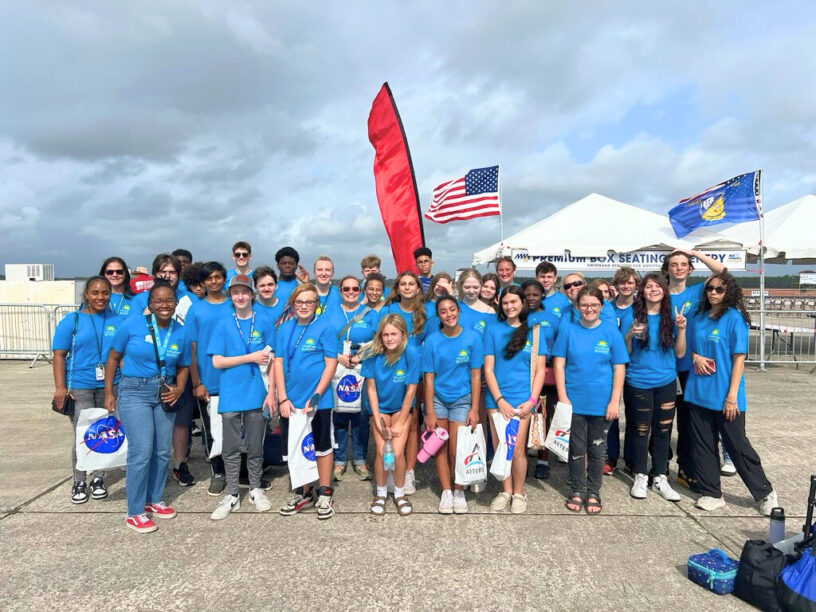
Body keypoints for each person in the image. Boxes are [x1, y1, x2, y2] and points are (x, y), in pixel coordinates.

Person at [684, 272, 778, 514]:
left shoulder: (734, 319)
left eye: (719, 289)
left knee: (737, 446)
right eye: (710, 289)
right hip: (698, 393)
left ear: (729, 293)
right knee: (703, 445)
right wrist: (695, 357)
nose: (713, 293)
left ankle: (765, 492)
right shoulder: (698, 316)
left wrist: (732, 396)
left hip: (726, 395)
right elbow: (690, 348)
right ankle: (712, 492)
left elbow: (739, 359)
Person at [104, 281, 190, 533]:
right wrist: (110, 391)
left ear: (175, 303)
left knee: (163, 451)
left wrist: (180, 388)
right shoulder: (131, 325)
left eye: (169, 301)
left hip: (164, 392)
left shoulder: (180, 331)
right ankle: (135, 511)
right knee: (141, 451)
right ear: (150, 304)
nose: (164, 305)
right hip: (134, 391)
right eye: (159, 301)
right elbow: (112, 358)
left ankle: (154, 499)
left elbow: (184, 365)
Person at [552, 286, 628, 515]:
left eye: (594, 305)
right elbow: (559, 364)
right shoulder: (568, 329)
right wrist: (563, 397)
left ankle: (593, 491)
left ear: (601, 306)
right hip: (574, 401)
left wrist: (615, 401)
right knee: (575, 449)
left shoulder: (610, 331)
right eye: (584, 305)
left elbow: (619, 368)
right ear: (577, 307)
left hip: (601, 402)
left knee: (597, 450)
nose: (589, 309)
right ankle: (577, 489)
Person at [207, 274, 277, 520]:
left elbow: (274, 360)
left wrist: (273, 393)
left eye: (244, 292)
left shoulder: (265, 321)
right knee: (231, 448)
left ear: (252, 294)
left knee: (256, 446)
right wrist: (249, 358)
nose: (240, 296)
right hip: (231, 394)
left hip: (258, 393)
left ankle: (256, 488)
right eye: (235, 292)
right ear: (230, 295)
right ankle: (233, 493)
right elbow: (217, 361)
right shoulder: (224, 323)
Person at [52, 276, 122, 504]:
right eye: (95, 293)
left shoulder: (117, 320)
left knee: (105, 432)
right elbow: (59, 355)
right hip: (80, 385)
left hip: (110, 385)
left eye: (105, 293)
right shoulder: (72, 320)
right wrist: (60, 387)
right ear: (86, 295)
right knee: (83, 434)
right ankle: (79, 480)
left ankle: (98, 478)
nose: (100, 297)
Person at [661, 249, 727, 487]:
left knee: (688, 424)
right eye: (674, 264)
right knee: (663, 424)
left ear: (689, 269)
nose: (678, 268)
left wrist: (696, 253)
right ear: (667, 269)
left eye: (683, 264)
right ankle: (659, 468)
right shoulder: (659, 293)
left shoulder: (698, 291)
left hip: (691, 369)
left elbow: (723, 273)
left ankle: (686, 469)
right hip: (666, 368)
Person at [620, 273, 686, 502]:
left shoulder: (672, 316)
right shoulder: (631, 315)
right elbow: (624, 353)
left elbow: (679, 353)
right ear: (642, 291)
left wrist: (683, 329)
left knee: (663, 431)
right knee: (639, 430)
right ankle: (640, 474)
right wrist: (628, 335)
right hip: (637, 381)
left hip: (666, 382)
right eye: (649, 286)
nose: (654, 290)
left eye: (658, 286)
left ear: (664, 291)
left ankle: (659, 475)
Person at [274, 283, 339, 519]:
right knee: (296, 447)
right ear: (292, 304)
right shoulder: (284, 329)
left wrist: (318, 394)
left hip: (318, 401)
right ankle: (304, 492)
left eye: (309, 302)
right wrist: (282, 397)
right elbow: (278, 363)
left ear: (316, 305)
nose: (304, 306)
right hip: (291, 401)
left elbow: (331, 363)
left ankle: (324, 492)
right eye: (300, 302)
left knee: (321, 446)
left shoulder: (325, 328)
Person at [483, 286, 548, 514]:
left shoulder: (535, 332)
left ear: (523, 303)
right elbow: (488, 369)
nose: (510, 306)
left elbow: (540, 370)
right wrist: (499, 400)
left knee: (517, 449)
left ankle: (519, 492)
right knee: (501, 446)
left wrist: (531, 400)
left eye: (514, 302)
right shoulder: (492, 330)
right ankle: (505, 490)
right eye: (506, 302)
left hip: (523, 400)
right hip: (496, 400)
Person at [422, 296, 483, 514]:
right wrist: (429, 411)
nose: (449, 314)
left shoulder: (473, 338)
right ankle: (446, 491)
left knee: (459, 449)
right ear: (438, 315)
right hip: (438, 399)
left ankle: (459, 490)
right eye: (443, 311)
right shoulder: (431, 341)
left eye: (452, 309)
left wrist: (475, 409)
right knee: (440, 447)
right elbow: (428, 378)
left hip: (462, 400)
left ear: (458, 311)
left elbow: (476, 376)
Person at [361, 315, 420, 516]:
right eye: (385, 334)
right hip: (381, 408)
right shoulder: (372, 354)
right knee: (381, 450)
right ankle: (380, 493)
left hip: (401, 408)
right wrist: (377, 419)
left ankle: (400, 493)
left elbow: (411, 390)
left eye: (393, 334)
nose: (389, 338)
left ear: (403, 334)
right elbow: (371, 390)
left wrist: (401, 422)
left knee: (395, 452)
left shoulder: (410, 352)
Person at [325, 275, 380, 482]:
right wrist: (338, 357)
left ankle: (359, 459)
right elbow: (324, 339)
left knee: (360, 416)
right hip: (337, 367)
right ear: (340, 291)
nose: (350, 292)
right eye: (346, 288)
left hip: (362, 369)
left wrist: (360, 356)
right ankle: (339, 460)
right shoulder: (330, 313)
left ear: (361, 291)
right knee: (338, 414)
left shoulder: (371, 314)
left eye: (355, 289)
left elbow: (379, 341)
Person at [186, 261, 232, 493]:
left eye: (218, 277)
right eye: (209, 278)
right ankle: (218, 471)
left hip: (235, 379)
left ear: (224, 279)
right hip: (208, 379)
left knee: (238, 429)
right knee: (212, 430)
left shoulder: (235, 304)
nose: (214, 282)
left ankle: (240, 471)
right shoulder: (196, 309)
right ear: (203, 282)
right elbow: (191, 348)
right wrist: (197, 382)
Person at [382, 271, 429, 494]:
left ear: (418, 288)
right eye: (403, 284)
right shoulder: (388, 311)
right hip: (391, 371)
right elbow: (380, 340)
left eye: (412, 284)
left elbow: (430, 342)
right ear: (397, 288)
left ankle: (408, 471)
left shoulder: (425, 312)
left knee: (411, 424)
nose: (408, 287)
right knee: (390, 424)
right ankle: (391, 469)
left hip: (415, 372)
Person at [521, 279, 560, 480]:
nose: (531, 298)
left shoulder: (551, 318)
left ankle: (543, 459)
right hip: (523, 374)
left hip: (547, 374)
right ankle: (522, 458)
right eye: (527, 294)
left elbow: (559, 345)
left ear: (542, 295)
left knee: (545, 417)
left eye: (535, 294)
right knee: (525, 417)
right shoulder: (519, 317)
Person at [602, 268, 639, 475]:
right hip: (610, 368)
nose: (626, 286)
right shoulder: (607, 308)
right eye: (623, 283)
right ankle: (611, 455)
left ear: (635, 286)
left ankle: (633, 458)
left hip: (634, 367)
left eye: (630, 283)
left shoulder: (640, 308)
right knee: (611, 413)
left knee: (634, 415)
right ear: (616, 285)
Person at [457, 269, 497, 336]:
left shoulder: (489, 311)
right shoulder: (453, 308)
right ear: (461, 286)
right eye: (467, 287)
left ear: (481, 286)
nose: (471, 291)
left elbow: (491, 339)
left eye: (475, 287)